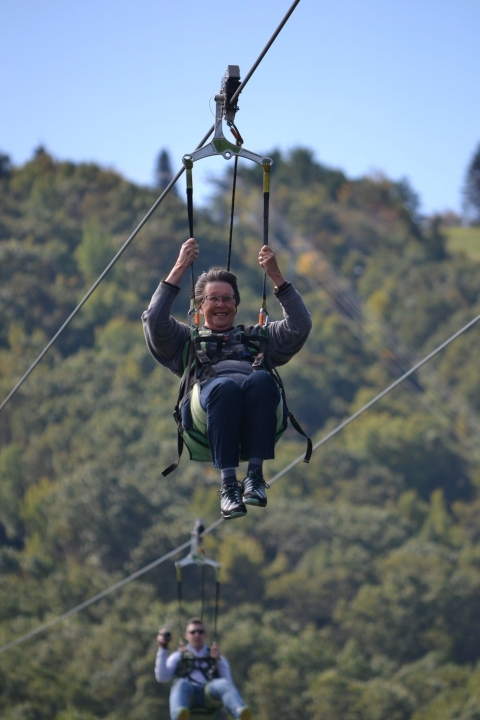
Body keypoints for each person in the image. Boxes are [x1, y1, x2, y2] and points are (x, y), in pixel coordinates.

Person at [142, 237, 312, 519]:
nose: (221, 304)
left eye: (227, 299)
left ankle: (255, 478)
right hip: (206, 410)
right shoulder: (186, 340)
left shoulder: (257, 337)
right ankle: (228, 486)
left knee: (260, 380)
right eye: (213, 299)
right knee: (225, 387)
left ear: (236, 304)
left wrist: (276, 276)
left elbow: (300, 325)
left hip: (255, 406)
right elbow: (154, 320)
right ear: (199, 307)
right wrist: (181, 265)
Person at [155, 617, 251, 720]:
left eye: (200, 632)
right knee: (180, 683)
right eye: (193, 632)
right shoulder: (178, 656)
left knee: (222, 683)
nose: (197, 635)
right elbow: (162, 677)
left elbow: (228, 683)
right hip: (188, 696)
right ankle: (178, 714)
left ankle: (239, 711)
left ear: (206, 634)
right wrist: (163, 648)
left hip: (209, 697)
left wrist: (218, 660)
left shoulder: (217, 657)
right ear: (186, 635)